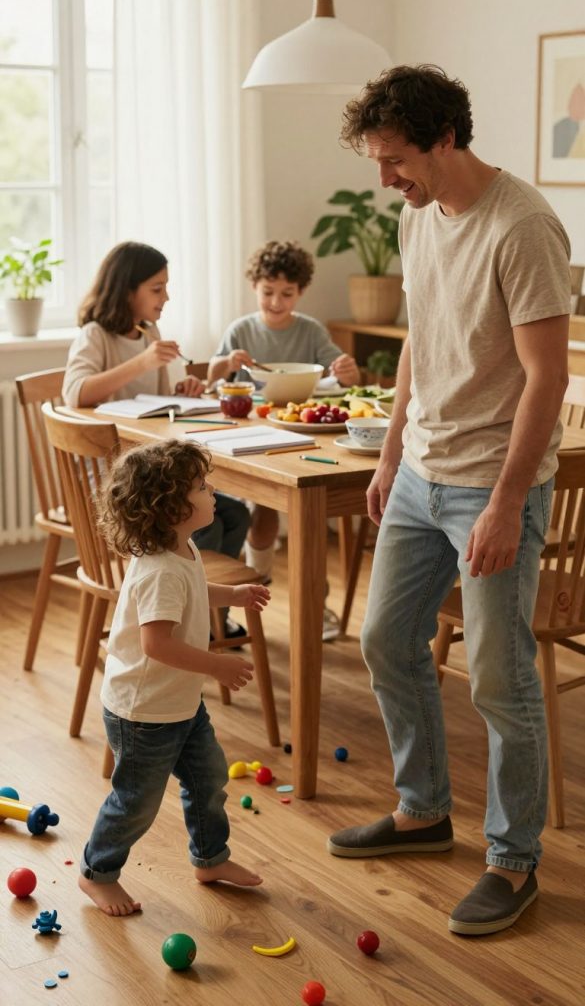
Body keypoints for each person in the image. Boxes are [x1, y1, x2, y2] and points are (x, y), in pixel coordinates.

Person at [326, 65, 571, 936]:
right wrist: (391, 456)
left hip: (489, 487)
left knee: (499, 681)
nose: (383, 178)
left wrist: (507, 504)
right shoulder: (416, 216)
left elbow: (548, 378)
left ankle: (513, 861)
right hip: (419, 476)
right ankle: (422, 811)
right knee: (385, 637)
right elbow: (422, 350)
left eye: (393, 159)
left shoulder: (523, 227)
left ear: (442, 140)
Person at [78, 438, 269, 916]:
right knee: (135, 803)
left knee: (209, 780)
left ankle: (210, 859)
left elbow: (195, 591)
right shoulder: (160, 569)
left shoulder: (182, 549)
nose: (212, 491)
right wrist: (218, 665)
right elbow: (156, 645)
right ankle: (96, 874)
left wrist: (233, 595)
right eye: (202, 487)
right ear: (171, 506)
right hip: (143, 714)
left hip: (180, 705)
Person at [63, 241, 251, 638]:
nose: (166, 297)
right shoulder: (95, 335)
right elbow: (75, 393)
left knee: (234, 514)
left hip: (147, 471)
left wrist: (183, 392)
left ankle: (207, 615)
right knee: (205, 523)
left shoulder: (150, 332)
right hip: (114, 479)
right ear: (126, 289)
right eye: (157, 288)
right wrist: (143, 362)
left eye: (166, 287)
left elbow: (156, 404)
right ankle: (187, 620)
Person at [208, 240, 360, 637]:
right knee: (263, 509)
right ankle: (256, 585)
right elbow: (212, 379)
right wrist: (225, 364)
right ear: (255, 287)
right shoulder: (241, 330)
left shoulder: (309, 330)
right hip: (253, 434)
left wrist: (347, 371)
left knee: (308, 512)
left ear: (301, 292)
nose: (276, 302)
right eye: (268, 292)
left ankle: (315, 602)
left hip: (304, 432)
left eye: (287, 294)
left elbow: (341, 374)